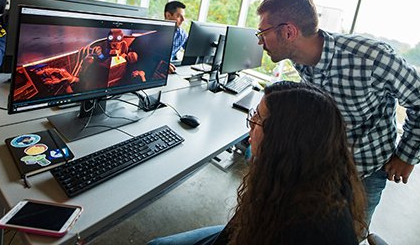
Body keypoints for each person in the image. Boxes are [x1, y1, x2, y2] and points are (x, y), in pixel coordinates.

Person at [256, 0, 420, 226]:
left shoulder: (370, 57)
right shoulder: (300, 59)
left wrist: (407, 155)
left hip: (364, 171)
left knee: (349, 234)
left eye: (262, 32)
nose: (260, 40)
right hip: (322, 166)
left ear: (289, 32)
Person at [148, 81, 367, 245]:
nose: (251, 125)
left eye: (258, 119)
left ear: (284, 138)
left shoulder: (303, 230)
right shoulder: (310, 178)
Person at [164, 1, 187, 73]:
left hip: (171, 68)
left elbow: (192, 51)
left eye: (183, 16)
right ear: (168, 15)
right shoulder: (155, 32)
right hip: (157, 68)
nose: (183, 19)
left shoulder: (182, 34)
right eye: (179, 16)